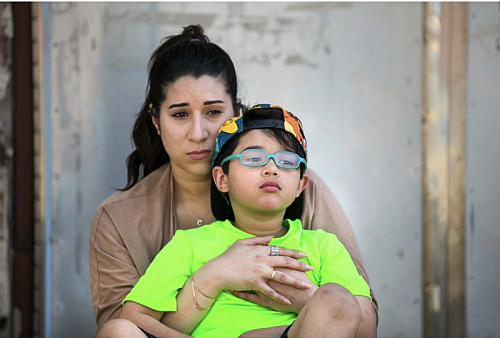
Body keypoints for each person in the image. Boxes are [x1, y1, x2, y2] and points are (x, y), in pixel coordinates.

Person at [89, 25, 378, 338]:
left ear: (236, 113)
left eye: (213, 112)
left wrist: (302, 299)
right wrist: (213, 276)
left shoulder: (305, 199)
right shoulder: (127, 222)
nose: (198, 133)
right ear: (156, 120)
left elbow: (357, 318)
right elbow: (126, 325)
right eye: (180, 115)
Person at [118, 104, 372, 338]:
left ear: (300, 185)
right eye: (253, 158)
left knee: (337, 298)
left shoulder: (323, 246)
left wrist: (307, 299)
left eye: (286, 162)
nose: (271, 169)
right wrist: (213, 276)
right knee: (117, 331)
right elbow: (133, 320)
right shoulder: (189, 244)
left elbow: (365, 328)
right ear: (222, 179)